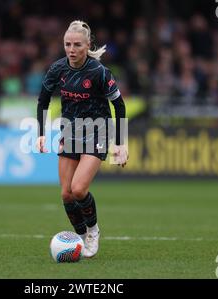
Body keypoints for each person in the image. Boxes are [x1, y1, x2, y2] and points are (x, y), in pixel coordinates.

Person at [36, 20, 129, 258]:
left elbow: (118, 105)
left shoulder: (99, 72)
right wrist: (41, 134)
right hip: (70, 132)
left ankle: (93, 231)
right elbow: (43, 100)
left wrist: (120, 143)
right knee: (66, 194)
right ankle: (79, 236)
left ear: (87, 45)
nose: (71, 49)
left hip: (98, 131)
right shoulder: (58, 69)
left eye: (77, 44)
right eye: (67, 44)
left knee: (78, 189)